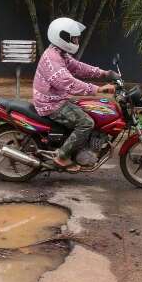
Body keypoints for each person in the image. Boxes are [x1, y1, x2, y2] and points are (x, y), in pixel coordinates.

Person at [33, 17, 118, 171]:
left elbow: (78, 67)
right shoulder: (52, 58)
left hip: (57, 98)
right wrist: (98, 90)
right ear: (62, 37)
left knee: (88, 111)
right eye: (74, 38)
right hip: (51, 104)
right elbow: (69, 83)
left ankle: (78, 149)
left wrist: (104, 73)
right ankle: (62, 156)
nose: (77, 41)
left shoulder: (59, 53)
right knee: (86, 123)